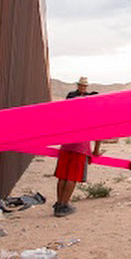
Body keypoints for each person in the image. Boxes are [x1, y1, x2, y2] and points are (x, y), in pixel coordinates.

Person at [53, 84, 101, 217]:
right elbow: (99, 135)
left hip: (66, 146)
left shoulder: (69, 114)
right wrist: (96, 151)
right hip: (80, 148)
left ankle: (59, 203)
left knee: (63, 176)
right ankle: (64, 206)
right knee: (72, 177)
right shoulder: (91, 115)